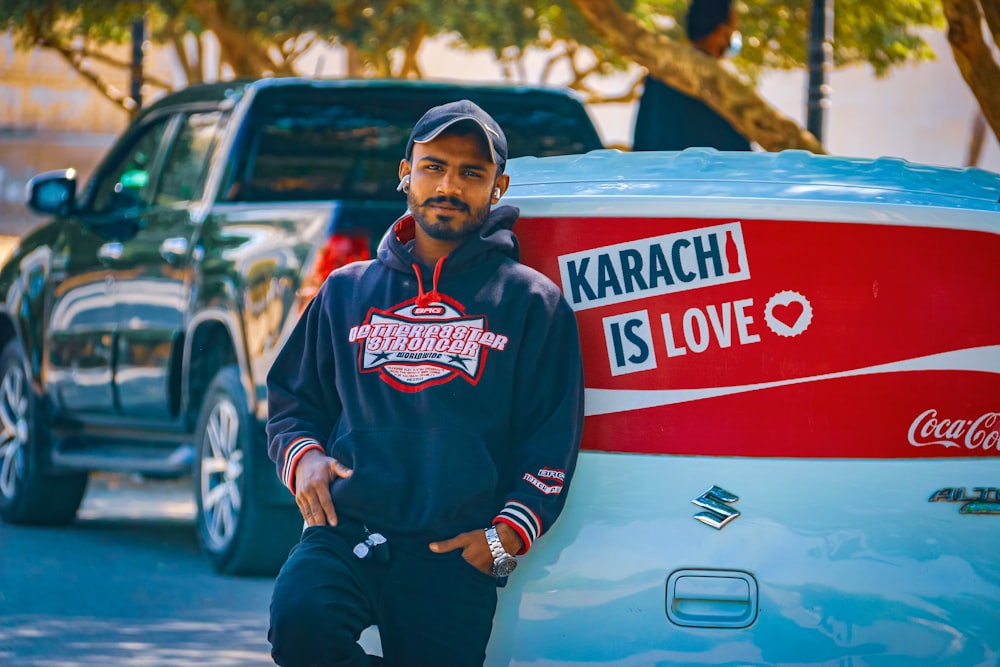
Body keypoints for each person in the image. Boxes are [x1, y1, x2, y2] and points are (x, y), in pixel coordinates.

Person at [265, 99, 586, 667]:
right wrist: (304, 455)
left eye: (471, 173)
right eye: (434, 166)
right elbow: (293, 399)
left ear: (497, 186)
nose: (449, 185)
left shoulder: (532, 304)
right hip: (347, 531)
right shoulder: (345, 290)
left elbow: (550, 444)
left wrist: (504, 539)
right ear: (405, 173)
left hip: (453, 553)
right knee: (300, 629)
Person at [632, 0, 752, 151]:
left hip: (660, 174)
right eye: (733, 29)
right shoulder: (721, 84)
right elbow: (738, 155)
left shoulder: (660, 77)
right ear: (721, 31)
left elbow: (642, 144)